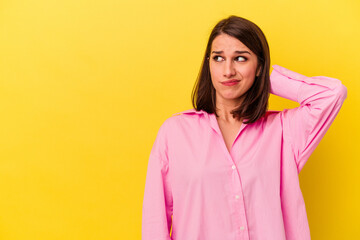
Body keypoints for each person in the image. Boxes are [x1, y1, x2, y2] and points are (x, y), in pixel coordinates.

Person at [141, 15, 347, 240]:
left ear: (259, 65)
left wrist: (265, 82)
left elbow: (332, 94)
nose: (228, 70)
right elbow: (155, 224)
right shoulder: (175, 132)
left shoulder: (283, 131)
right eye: (218, 58)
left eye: (240, 58)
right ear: (208, 63)